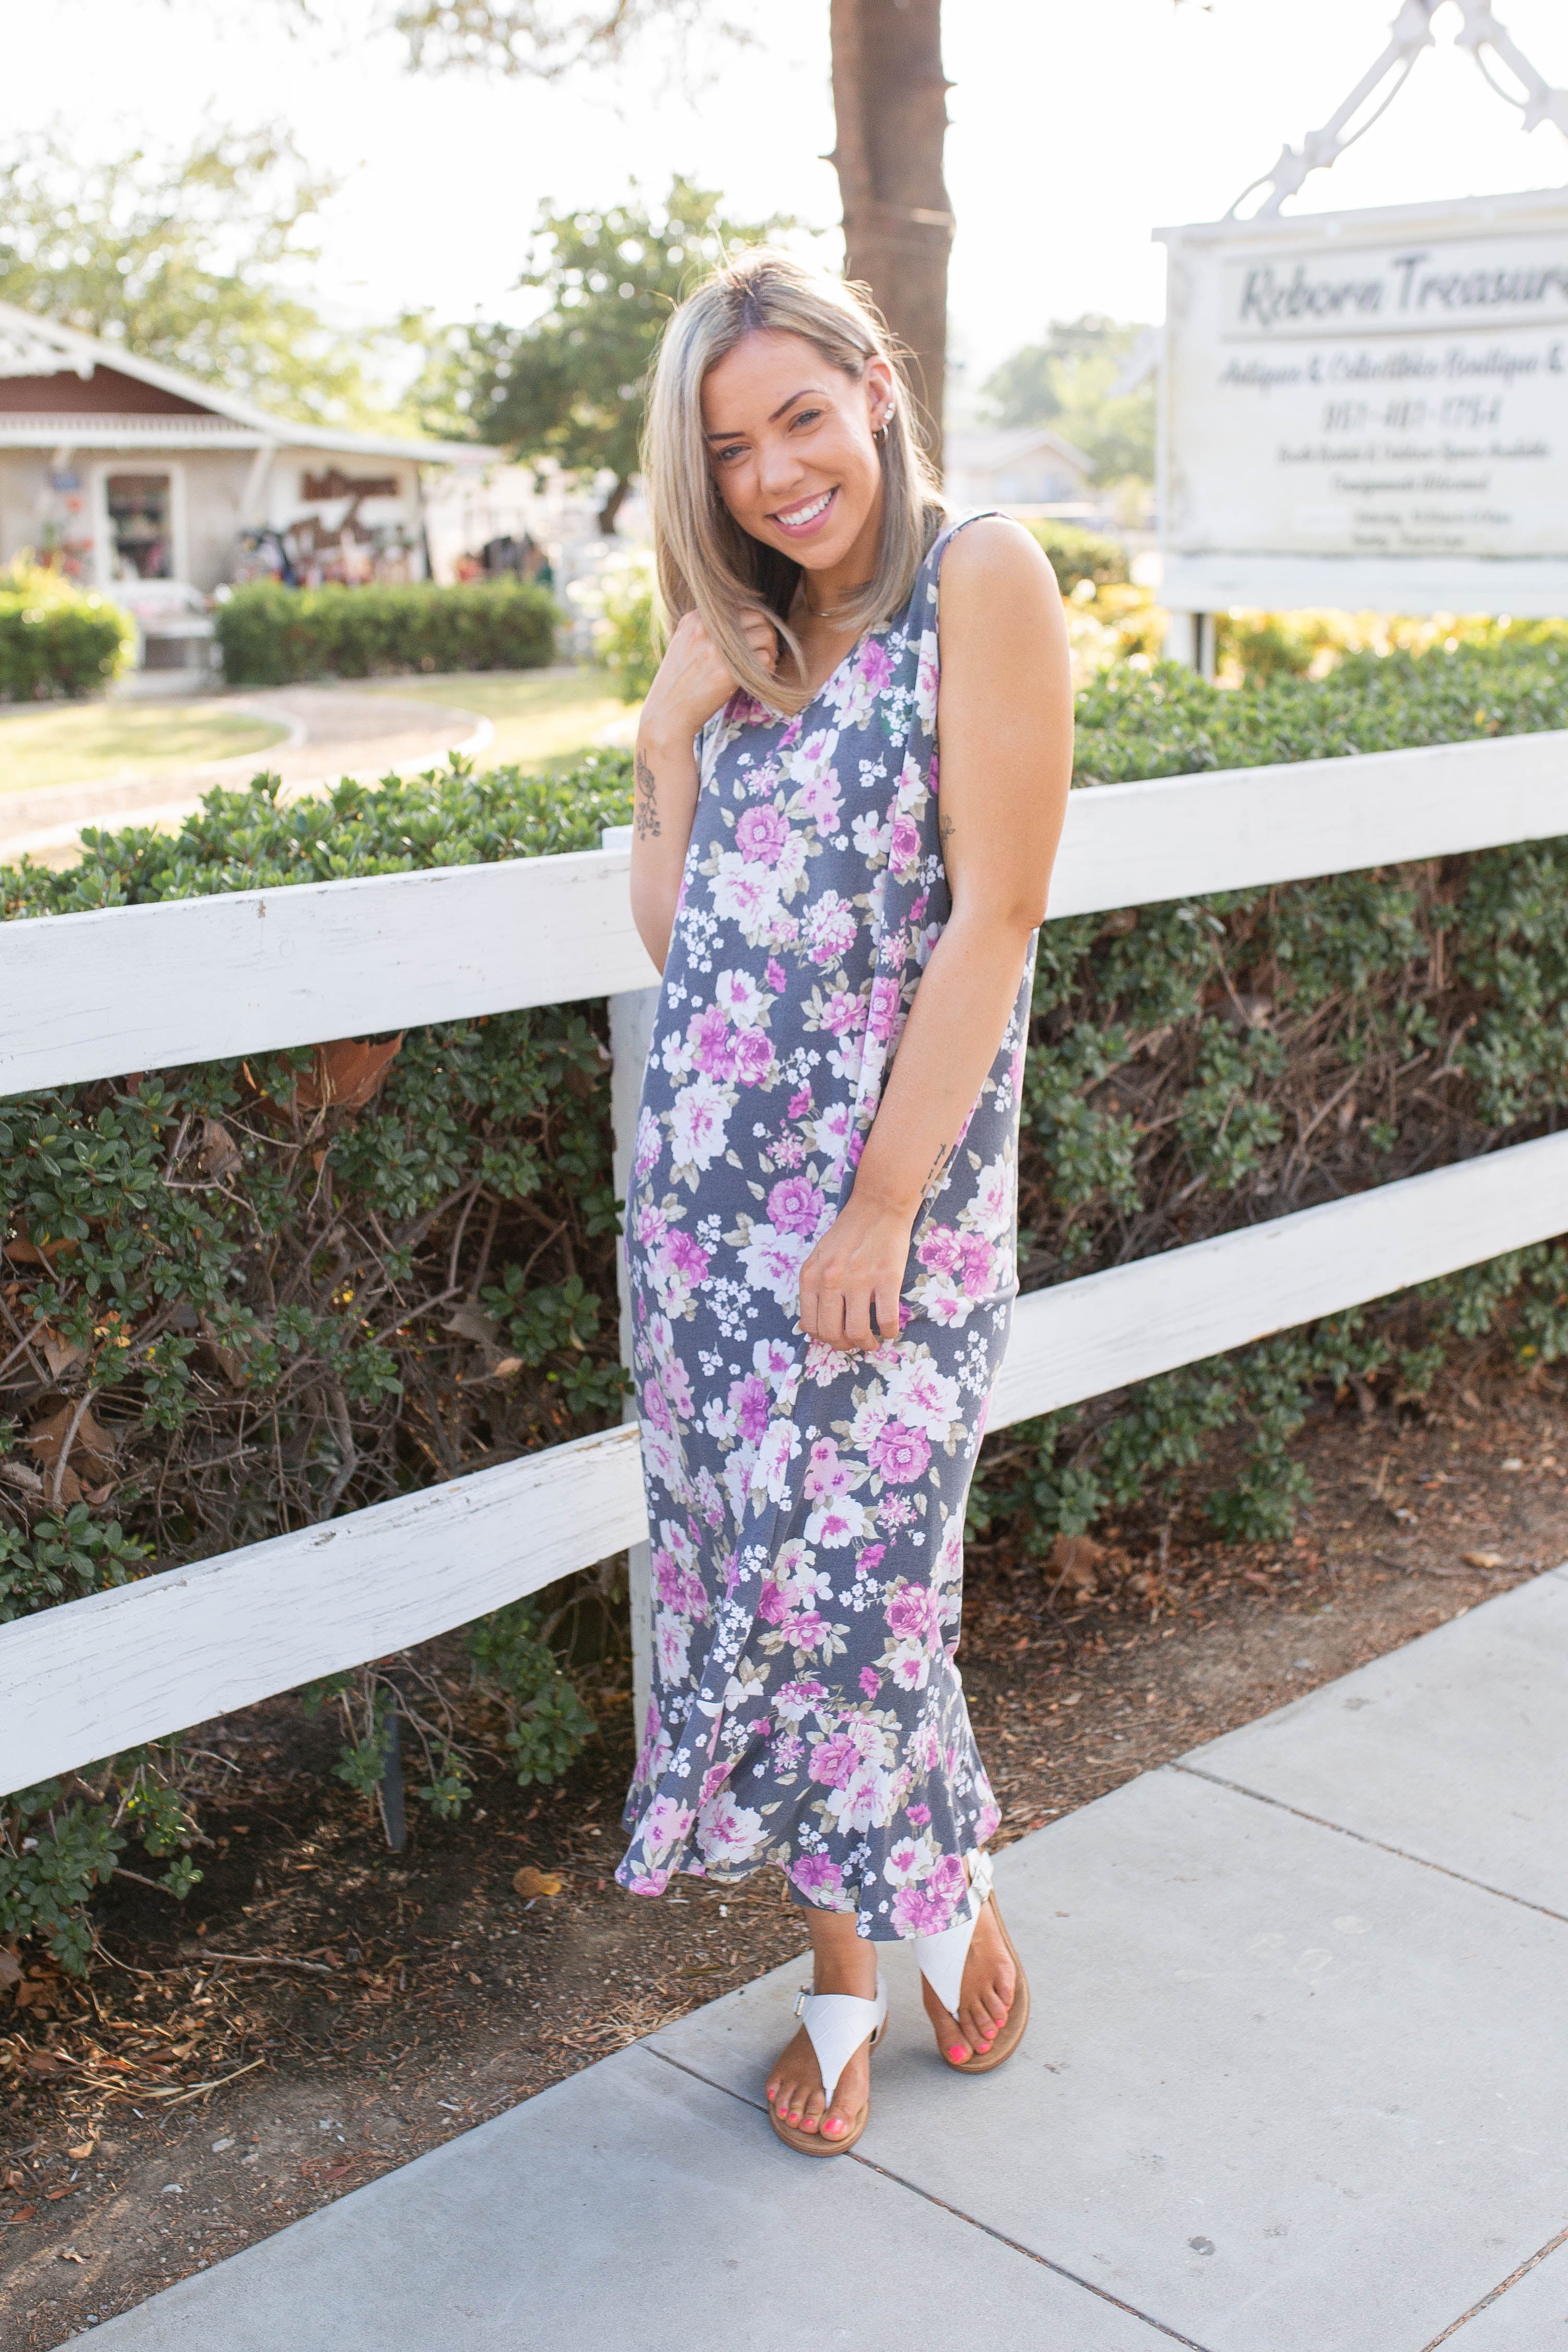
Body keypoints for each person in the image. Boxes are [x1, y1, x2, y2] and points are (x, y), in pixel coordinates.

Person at [616, 249, 1072, 2155]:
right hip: (706, 1233)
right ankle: (847, 1972)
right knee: (761, 1600)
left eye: (803, 415)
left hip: (893, 1222)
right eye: (731, 450)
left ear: (877, 385)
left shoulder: (985, 574)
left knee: (864, 1603)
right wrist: (666, 746)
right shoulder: (761, 643)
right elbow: (693, 950)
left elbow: (1001, 910)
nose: (777, 473)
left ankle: (940, 1899)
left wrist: (881, 1207)